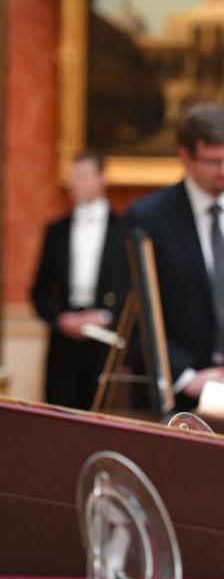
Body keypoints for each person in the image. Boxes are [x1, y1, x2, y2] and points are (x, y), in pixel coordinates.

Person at [125, 103, 224, 409]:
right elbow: (135, 312)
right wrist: (187, 376)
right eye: (214, 161)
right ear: (185, 157)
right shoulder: (148, 218)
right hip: (176, 395)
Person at [32, 151, 126, 409]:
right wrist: (60, 318)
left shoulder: (124, 230)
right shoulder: (56, 231)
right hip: (63, 342)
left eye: (83, 176)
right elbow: (38, 290)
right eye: (73, 177)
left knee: (102, 417)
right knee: (60, 420)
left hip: (105, 341)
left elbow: (132, 289)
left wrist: (105, 317)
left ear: (101, 179)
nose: (76, 183)